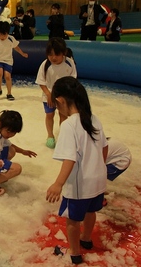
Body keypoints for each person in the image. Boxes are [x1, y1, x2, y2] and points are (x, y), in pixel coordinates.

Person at [46, 76, 107, 265]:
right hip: (98, 180)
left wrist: (58, 184)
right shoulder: (93, 118)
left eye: (56, 104)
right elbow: (105, 148)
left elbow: (70, 158)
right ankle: (87, 239)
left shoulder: (69, 125)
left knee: (72, 219)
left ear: (61, 101)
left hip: (81, 184)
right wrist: (97, 166)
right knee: (91, 211)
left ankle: (74, 253)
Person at [35, 37, 77, 149]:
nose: (53, 58)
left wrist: (64, 96)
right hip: (48, 95)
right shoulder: (45, 64)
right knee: (49, 114)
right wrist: (49, 94)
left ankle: (63, 136)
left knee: (64, 115)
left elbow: (72, 80)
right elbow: (41, 82)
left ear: (64, 53)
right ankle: (50, 135)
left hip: (64, 95)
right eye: (50, 54)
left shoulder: (70, 63)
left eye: (56, 54)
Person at [0, 21, 29, 101]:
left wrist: (22, 54)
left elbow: (16, 47)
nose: (1, 37)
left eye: (4, 35)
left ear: (7, 33)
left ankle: (9, 93)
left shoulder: (11, 39)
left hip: (8, 60)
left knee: (7, 76)